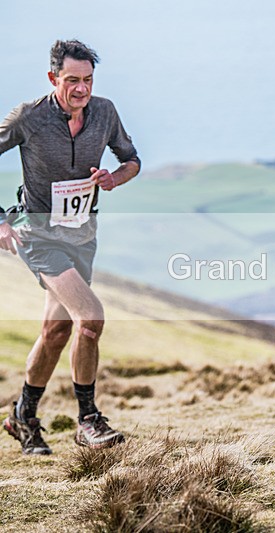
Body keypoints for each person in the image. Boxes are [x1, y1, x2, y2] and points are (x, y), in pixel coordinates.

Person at [0, 40, 140, 454]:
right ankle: (88, 420)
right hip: (39, 234)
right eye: (72, 80)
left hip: (82, 234)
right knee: (91, 318)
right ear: (53, 78)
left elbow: (132, 160)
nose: (82, 89)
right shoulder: (29, 117)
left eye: (88, 81)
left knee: (56, 330)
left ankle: (23, 417)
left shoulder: (105, 111)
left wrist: (116, 178)